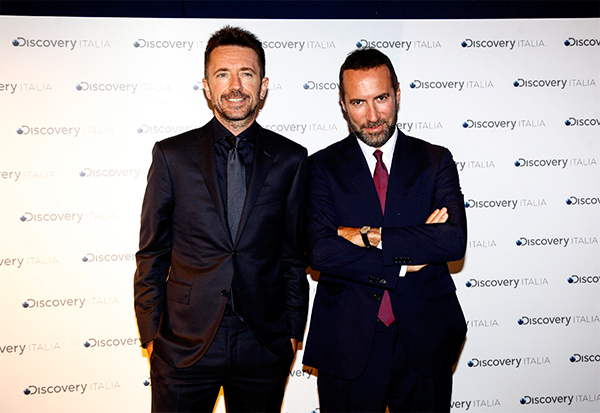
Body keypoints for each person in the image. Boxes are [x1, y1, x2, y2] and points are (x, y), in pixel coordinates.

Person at [134, 26, 309, 413]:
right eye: (222, 74)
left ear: (263, 86)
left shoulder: (291, 158)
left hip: (263, 342)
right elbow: (152, 251)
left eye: (246, 74)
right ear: (207, 87)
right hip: (183, 342)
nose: (235, 86)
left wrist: (292, 330)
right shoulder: (172, 155)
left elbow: (293, 255)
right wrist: (152, 333)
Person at [302, 48, 467, 412]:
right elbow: (321, 251)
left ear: (397, 93)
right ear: (343, 105)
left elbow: (452, 240)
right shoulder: (319, 167)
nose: (373, 115)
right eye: (358, 103)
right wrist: (406, 260)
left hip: (426, 336)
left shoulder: (435, 160)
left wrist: (368, 235)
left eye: (381, 98)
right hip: (348, 339)